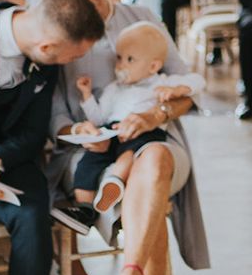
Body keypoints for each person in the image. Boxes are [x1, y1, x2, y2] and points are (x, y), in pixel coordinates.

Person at [22, 0, 210, 275]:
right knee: (150, 185)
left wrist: (156, 114)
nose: (87, 1)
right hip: (88, 154)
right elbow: (54, 120)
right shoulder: (60, 30)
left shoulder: (139, 16)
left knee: (156, 160)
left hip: (154, 138)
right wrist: (79, 128)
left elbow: (187, 88)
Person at [0, 0, 106, 275]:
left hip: (11, 165)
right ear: (47, 46)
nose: (72, 65)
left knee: (34, 224)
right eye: (70, 58)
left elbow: (32, 132)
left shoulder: (44, 59)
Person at [58, 21, 204, 228]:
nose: (120, 66)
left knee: (130, 153)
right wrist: (87, 96)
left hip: (143, 131)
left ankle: (115, 182)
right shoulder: (114, 89)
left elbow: (198, 80)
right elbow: (99, 117)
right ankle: (85, 209)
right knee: (87, 163)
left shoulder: (160, 83)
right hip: (112, 131)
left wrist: (179, 89)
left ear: (153, 66)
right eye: (119, 58)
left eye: (129, 60)